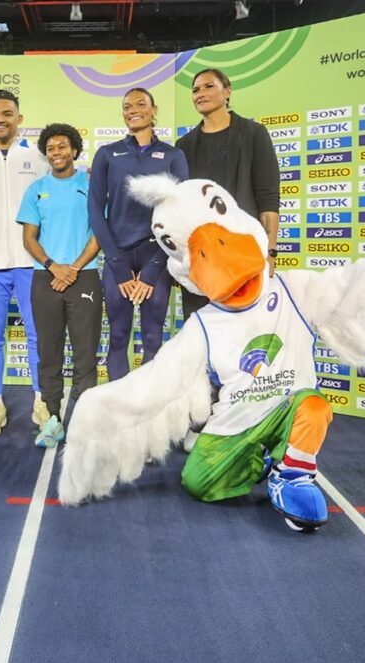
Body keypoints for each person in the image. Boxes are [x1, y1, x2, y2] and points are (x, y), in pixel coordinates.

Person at [88, 87, 188, 382]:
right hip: (118, 256)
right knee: (118, 336)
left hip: (155, 257)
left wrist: (153, 269)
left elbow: (180, 213)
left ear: (154, 110)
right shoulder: (108, 154)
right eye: (127, 105)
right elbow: (95, 209)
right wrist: (118, 267)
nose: (133, 109)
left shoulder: (173, 155)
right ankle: (120, 411)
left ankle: (149, 412)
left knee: (153, 337)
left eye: (141, 104)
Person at [0, 89, 50, 436]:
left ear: (19, 118)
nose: (0, 119)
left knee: (37, 335)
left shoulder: (39, 156)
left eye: (7, 113)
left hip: (31, 262)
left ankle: (41, 401)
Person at [19, 123, 102, 449]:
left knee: (85, 354)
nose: (57, 153)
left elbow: (98, 235)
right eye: (51, 148)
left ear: (75, 151)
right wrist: (55, 267)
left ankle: (83, 423)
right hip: (46, 278)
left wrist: (74, 268)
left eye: (63, 147)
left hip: (85, 275)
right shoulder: (36, 189)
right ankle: (52, 419)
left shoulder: (92, 185)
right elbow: (29, 237)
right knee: (48, 353)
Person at [175, 68, 280, 321]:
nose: (200, 93)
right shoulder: (184, 146)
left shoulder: (254, 134)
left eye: (209, 86)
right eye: (196, 89)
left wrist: (270, 252)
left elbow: (268, 199)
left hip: (245, 255)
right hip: (201, 262)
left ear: (227, 92)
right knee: (201, 336)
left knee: (245, 335)